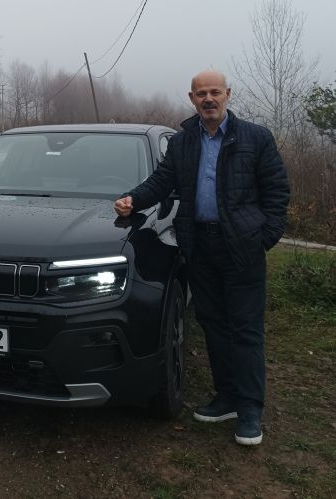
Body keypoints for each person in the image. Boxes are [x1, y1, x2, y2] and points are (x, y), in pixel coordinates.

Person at [114, 70, 289, 446]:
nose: (208, 99)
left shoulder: (256, 138)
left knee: (245, 329)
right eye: (201, 94)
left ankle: (250, 409)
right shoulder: (183, 142)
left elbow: (277, 190)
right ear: (192, 98)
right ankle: (226, 397)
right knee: (213, 324)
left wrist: (265, 237)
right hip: (199, 246)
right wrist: (132, 199)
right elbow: (161, 181)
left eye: (214, 92)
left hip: (242, 248)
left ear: (227, 94)